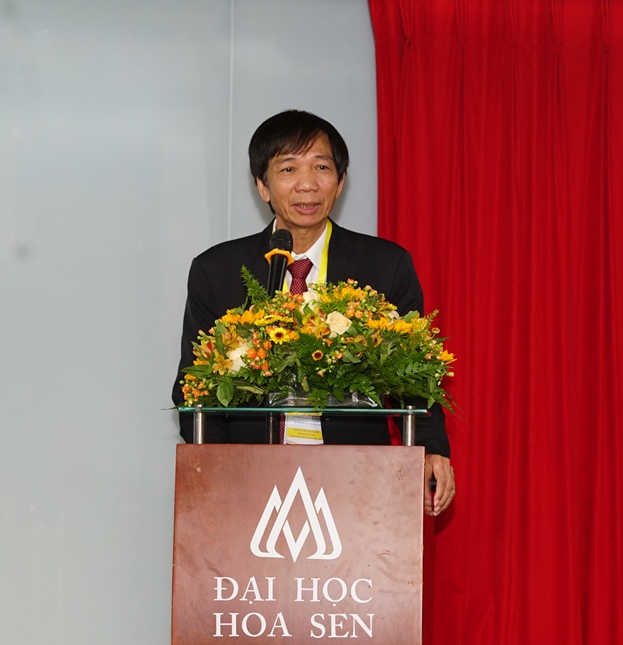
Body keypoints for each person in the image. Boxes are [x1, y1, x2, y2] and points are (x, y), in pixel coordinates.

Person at [172, 110, 455, 516]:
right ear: (262, 185)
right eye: (288, 169)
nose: (307, 184)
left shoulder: (384, 266)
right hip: (249, 483)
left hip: (357, 479)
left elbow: (415, 378)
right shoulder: (217, 271)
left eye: (321, 167)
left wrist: (431, 451)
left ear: (340, 182)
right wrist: (221, 473)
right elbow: (193, 387)